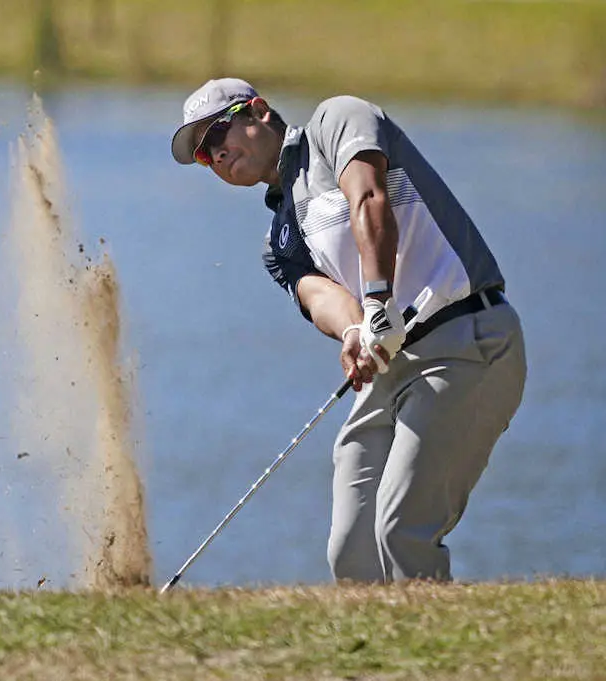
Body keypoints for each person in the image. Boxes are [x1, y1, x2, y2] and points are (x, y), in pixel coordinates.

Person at [170, 78, 527, 583]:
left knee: (402, 529)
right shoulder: (278, 241)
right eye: (205, 155)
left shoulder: (336, 122)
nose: (216, 153)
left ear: (258, 111)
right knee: (352, 550)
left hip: (468, 336)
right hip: (390, 363)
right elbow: (319, 296)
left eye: (218, 133)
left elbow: (369, 198)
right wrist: (355, 330)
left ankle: (437, 654)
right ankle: (376, 660)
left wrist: (378, 300)